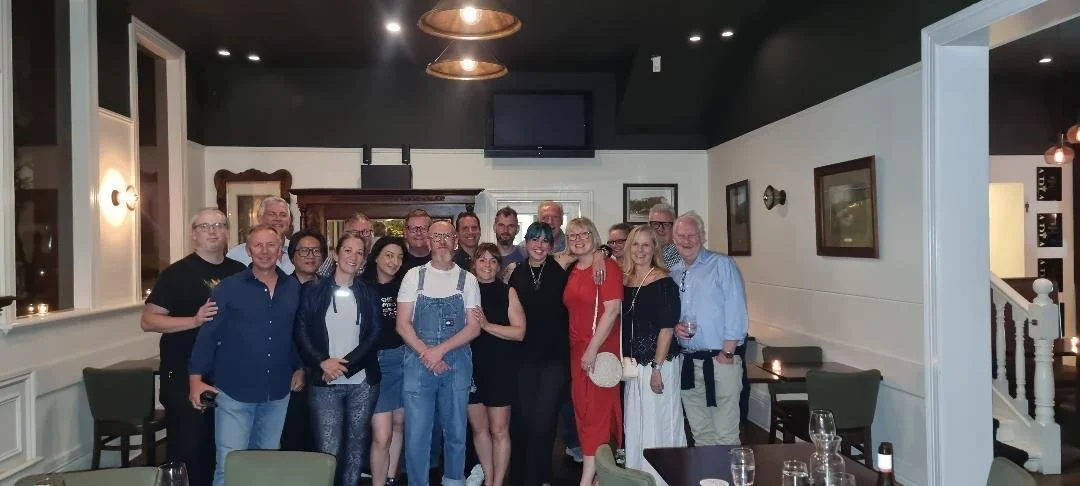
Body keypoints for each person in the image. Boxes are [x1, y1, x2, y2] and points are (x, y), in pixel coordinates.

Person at [188, 224, 305, 486]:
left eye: (271, 245)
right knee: (230, 467)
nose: (264, 251)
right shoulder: (228, 288)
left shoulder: (293, 289)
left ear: (281, 252)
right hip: (234, 391)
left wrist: (299, 367)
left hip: (277, 392)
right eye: (258, 245)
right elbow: (208, 335)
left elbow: (293, 336)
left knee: (265, 467)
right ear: (249, 251)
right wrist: (195, 378)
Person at [140, 208, 245, 486]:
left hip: (229, 376)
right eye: (205, 226)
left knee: (223, 449)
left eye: (219, 225)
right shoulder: (176, 273)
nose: (213, 231)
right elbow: (148, 321)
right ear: (193, 234)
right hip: (183, 376)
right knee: (190, 450)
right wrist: (195, 320)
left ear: (227, 232)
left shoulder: (240, 272)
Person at [397, 220, 482, 486]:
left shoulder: (468, 279)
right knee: (417, 433)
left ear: (455, 240)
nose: (442, 240)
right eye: (437, 236)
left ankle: (454, 480)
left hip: (457, 362)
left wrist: (440, 351)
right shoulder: (414, 276)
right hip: (418, 361)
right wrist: (427, 353)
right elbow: (402, 324)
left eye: (447, 235)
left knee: (456, 430)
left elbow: (474, 328)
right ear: (428, 241)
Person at [295, 231, 383, 486]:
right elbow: (301, 330)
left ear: (365, 259)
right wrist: (323, 362)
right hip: (324, 382)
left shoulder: (369, 292)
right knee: (328, 450)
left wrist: (344, 366)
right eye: (347, 250)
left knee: (356, 448)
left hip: (363, 384)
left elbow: (374, 333)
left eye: (359, 252)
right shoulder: (312, 290)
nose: (352, 257)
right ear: (335, 254)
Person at [507, 222, 576, 486]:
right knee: (523, 419)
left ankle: (539, 477)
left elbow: (592, 254)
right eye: (534, 240)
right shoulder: (514, 273)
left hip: (555, 358)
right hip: (522, 357)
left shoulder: (562, 270)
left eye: (544, 241)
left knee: (545, 420)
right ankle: (522, 477)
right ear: (525, 242)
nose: (538, 245)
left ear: (551, 245)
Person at [671, 211, 748, 446]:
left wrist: (727, 353)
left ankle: (729, 481)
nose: (687, 241)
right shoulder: (674, 272)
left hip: (719, 360)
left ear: (702, 236)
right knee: (701, 433)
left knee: (725, 434)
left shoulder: (722, 264)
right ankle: (707, 481)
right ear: (674, 240)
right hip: (687, 362)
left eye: (692, 235)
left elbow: (737, 309)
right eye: (681, 236)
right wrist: (676, 328)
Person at [620, 225, 684, 485]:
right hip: (633, 365)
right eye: (635, 244)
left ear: (654, 249)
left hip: (659, 362)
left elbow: (667, 328)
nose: (640, 250)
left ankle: (663, 478)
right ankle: (638, 477)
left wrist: (657, 368)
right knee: (635, 422)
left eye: (646, 245)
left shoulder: (664, 281)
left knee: (660, 421)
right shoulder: (624, 280)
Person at [561, 217, 623, 486]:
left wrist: (592, 349)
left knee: (596, 414)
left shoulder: (607, 266)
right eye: (572, 235)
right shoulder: (573, 268)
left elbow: (612, 312)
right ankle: (596, 475)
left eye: (584, 233)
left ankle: (587, 478)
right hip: (577, 351)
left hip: (599, 350)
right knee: (583, 413)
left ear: (594, 236)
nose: (578, 239)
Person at [467, 243, 526, 486]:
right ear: (474, 264)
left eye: (493, 260)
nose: (487, 265)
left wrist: (487, 326)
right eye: (482, 260)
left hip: (501, 369)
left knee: (499, 430)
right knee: (479, 430)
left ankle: (498, 482)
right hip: (471, 369)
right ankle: (489, 478)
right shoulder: (465, 291)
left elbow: (520, 332)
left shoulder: (507, 291)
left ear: (499, 266)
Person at [362, 237, 409, 486]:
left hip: (403, 358)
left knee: (400, 425)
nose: (394, 262)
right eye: (389, 255)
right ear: (377, 256)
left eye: (400, 257)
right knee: (382, 434)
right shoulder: (363, 286)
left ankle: (391, 477)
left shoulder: (406, 286)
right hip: (376, 364)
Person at [280, 229, 328, 452]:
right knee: (294, 433)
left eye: (316, 251)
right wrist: (298, 366)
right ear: (292, 257)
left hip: (324, 371)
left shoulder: (329, 288)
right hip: (289, 371)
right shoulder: (281, 289)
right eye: (304, 251)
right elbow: (283, 334)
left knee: (321, 436)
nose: (311, 255)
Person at [226, 196, 295, 273]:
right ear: (260, 218)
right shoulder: (236, 255)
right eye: (272, 214)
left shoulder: (299, 251)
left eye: (283, 215)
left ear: (289, 220)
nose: (278, 219)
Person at [318, 212, 376, 278]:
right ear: (345, 235)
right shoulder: (336, 256)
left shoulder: (379, 258)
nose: (361, 237)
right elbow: (319, 279)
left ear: (372, 234)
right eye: (355, 233)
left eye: (366, 232)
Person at [648, 203, 680, 269]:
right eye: (656, 224)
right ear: (649, 226)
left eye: (666, 224)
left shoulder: (681, 257)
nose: (660, 229)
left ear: (675, 227)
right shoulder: (643, 253)